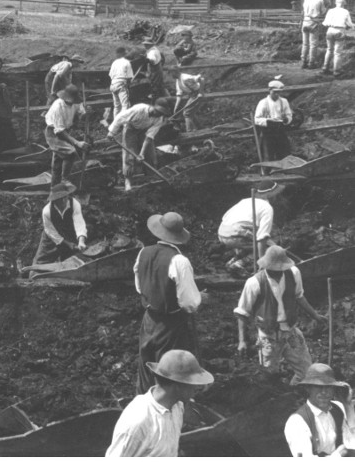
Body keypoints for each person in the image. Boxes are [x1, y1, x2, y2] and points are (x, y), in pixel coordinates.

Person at [234, 245, 325, 386]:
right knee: (269, 375)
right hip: (268, 335)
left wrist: (315, 316)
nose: (277, 272)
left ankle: (295, 392)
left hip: (290, 330)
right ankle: (279, 399)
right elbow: (242, 312)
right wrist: (242, 341)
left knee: (306, 371)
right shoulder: (254, 283)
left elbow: (299, 297)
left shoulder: (293, 273)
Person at [134, 212, 202, 394]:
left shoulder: (143, 253)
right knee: (169, 368)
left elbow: (140, 287)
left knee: (146, 360)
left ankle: (142, 398)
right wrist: (200, 300)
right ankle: (169, 404)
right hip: (170, 322)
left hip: (149, 318)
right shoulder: (179, 261)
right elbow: (190, 302)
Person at [106, 350, 213, 457]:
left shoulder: (177, 406)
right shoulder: (138, 423)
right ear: (178, 384)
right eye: (193, 382)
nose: (197, 387)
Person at [285, 363, 355, 456]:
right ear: (308, 388)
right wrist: (339, 455)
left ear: (334, 389)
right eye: (318, 386)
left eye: (328, 386)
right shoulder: (297, 421)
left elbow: (352, 442)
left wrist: (347, 405)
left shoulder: (338, 408)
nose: (324, 392)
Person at [218, 179, 283, 272]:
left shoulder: (245, 201)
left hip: (222, 232)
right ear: (270, 194)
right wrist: (263, 262)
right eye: (276, 194)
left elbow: (226, 218)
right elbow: (262, 238)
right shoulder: (267, 208)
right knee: (271, 247)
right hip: (236, 234)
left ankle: (233, 261)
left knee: (252, 241)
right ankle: (240, 263)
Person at [107, 98, 170, 192]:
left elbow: (149, 137)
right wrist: (112, 132)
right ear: (153, 106)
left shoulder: (159, 119)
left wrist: (141, 154)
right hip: (130, 129)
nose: (158, 114)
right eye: (158, 111)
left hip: (144, 131)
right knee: (129, 156)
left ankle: (151, 179)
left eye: (161, 113)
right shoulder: (139, 109)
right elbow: (120, 117)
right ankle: (128, 182)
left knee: (150, 155)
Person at [32, 182, 87, 265]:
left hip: (69, 233)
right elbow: (51, 232)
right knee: (40, 262)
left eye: (65, 197)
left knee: (71, 262)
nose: (63, 200)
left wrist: (81, 241)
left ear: (68, 195)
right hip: (52, 237)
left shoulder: (75, 204)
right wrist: (67, 243)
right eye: (59, 198)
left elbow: (79, 223)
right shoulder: (46, 211)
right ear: (54, 199)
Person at [44, 84, 88, 186]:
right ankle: (64, 180)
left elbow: (81, 113)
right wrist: (77, 143)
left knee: (57, 164)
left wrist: (85, 114)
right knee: (71, 152)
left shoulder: (76, 102)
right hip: (53, 134)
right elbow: (59, 131)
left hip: (65, 130)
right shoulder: (57, 107)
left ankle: (55, 187)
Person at [254, 80, 293, 162]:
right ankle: (267, 171)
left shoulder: (284, 101)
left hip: (280, 130)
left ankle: (284, 171)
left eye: (279, 92)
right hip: (268, 131)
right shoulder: (263, 103)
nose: (277, 94)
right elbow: (257, 119)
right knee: (268, 154)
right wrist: (267, 121)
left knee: (284, 152)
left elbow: (289, 115)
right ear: (269, 90)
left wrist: (287, 119)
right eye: (275, 92)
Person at [322, 0, 353, 77]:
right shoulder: (345, 12)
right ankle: (336, 71)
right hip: (339, 31)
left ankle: (325, 68)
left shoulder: (330, 11)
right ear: (343, 4)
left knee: (329, 50)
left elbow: (325, 23)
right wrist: (351, 26)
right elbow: (349, 24)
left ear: (335, 3)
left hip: (330, 30)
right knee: (338, 52)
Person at [302, 0, 328, 69]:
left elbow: (303, 10)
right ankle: (311, 63)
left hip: (305, 21)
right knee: (313, 44)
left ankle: (303, 62)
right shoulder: (320, 0)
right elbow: (323, 12)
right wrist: (327, 5)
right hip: (314, 22)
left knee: (305, 44)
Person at [106, 47, 133, 124]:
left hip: (113, 84)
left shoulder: (114, 62)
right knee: (125, 105)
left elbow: (110, 75)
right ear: (124, 54)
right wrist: (128, 84)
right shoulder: (127, 62)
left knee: (117, 106)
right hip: (121, 85)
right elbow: (129, 77)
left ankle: (116, 124)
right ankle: (125, 125)